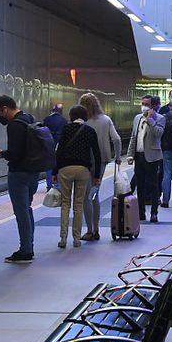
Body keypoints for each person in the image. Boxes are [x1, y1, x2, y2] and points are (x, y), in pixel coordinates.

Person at [0, 95, 40, 263]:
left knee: (21, 212)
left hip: (19, 174)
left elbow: (15, 154)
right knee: (27, 209)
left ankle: (25, 251)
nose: (0, 117)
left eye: (0, 112)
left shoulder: (14, 125)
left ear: (5, 108)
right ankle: (29, 247)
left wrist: (1, 154)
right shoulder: (30, 119)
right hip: (33, 173)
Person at [51, 105, 102, 249]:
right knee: (78, 204)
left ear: (72, 116)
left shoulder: (66, 129)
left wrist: (54, 172)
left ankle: (63, 238)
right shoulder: (90, 131)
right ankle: (76, 238)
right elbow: (97, 155)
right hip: (83, 170)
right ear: (84, 116)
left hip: (65, 169)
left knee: (65, 204)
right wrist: (96, 175)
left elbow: (59, 152)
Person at [78, 93, 120, 241]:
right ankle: (96, 229)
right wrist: (118, 157)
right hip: (101, 161)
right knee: (94, 195)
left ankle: (90, 230)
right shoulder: (106, 119)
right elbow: (116, 139)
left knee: (85, 197)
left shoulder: (83, 122)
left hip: (84, 161)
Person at [127, 94, 165, 222]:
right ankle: (141, 212)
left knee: (153, 185)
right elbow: (134, 136)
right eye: (143, 103)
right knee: (140, 185)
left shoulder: (160, 118)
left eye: (147, 104)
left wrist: (150, 120)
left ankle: (154, 213)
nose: (144, 106)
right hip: (139, 156)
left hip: (152, 157)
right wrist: (130, 154)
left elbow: (158, 134)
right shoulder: (137, 118)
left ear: (153, 106)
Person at [42, 103, 67, 191]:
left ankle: (49, 186)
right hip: (59, 146)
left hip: (48, 146)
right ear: (61, 111)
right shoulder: (64, 121)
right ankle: (58, 185)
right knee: (59, 166)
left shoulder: (46, 119)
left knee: (49, 166)